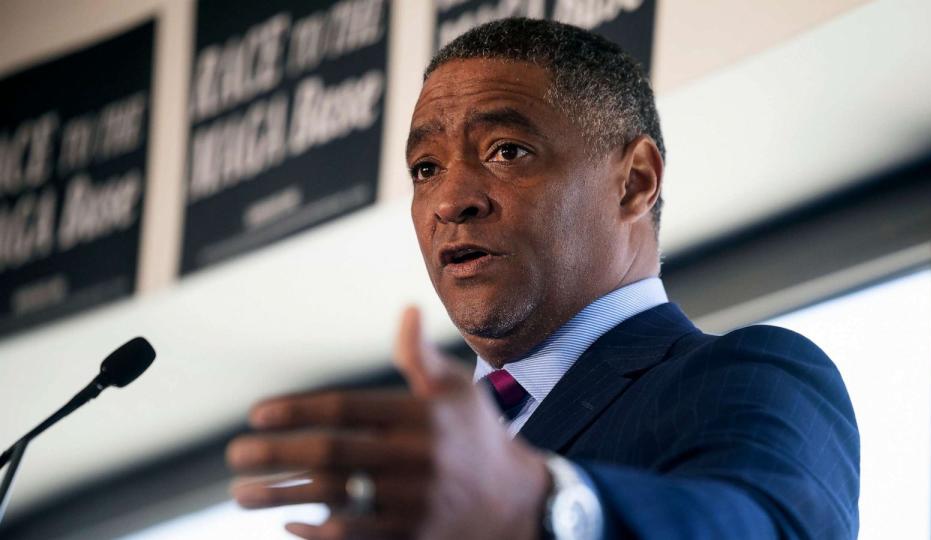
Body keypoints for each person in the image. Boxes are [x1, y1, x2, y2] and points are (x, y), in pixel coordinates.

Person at [226, 18, 859, 540]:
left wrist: (534, 501)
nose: (450, 199)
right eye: (425, 168)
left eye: (506, 150)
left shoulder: (750, 375)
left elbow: (770, 527)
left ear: (635, 181)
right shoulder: (420, 463)